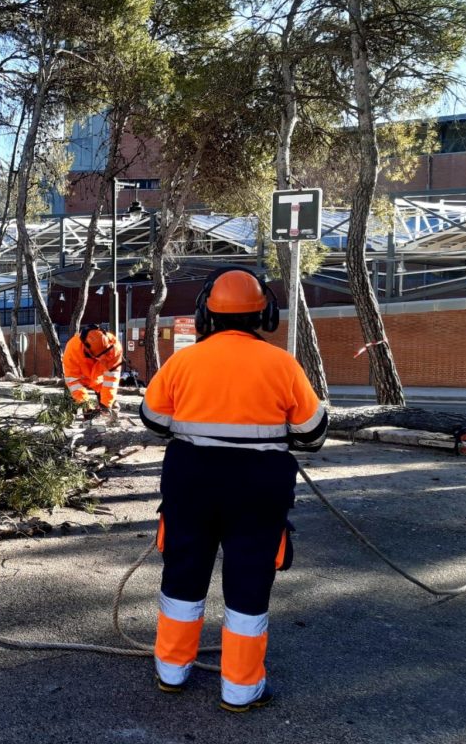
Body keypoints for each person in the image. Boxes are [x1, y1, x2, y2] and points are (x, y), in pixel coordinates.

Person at [138, 267, 326, 713]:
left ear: (206, 314)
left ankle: (171, 671)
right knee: (249, 580)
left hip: (191, 481)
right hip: (259, 487)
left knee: (183, 573)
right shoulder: (282, 364)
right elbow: (313, 433)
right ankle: (240, 689)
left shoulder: (183, 361)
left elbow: (153, 420)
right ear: (265, 313)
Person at [63, 325, 123, 422]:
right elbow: (72, 381)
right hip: (80, 380)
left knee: (109, 405)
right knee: (75, 400)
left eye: (105, 354)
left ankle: (112, 418)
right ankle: (66, 418)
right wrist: (86, 404)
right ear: (86, 347)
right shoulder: (72, 350)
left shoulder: (115, 348)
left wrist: (105, 404)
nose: (103, 358)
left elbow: (112, 380)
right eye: (100, 356)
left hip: (100, 380)